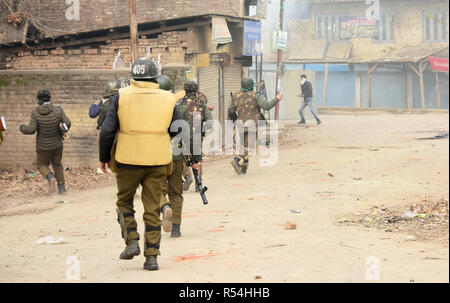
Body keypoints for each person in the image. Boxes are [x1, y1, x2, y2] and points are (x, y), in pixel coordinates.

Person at [99, 58, 182, 271]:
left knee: (124, 202)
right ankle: (152, 257)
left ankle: (132, 241)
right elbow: (178, 128)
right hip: (158, 160)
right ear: (155, 76)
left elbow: (108, 130)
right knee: (153, 208)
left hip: (127, 159)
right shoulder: (168, 98)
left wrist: (104, 157)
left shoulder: (121, 96)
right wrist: (160, 136)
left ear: (134, 76)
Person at [19, 90, 71, 194]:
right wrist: (63, 129)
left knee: (41, 165)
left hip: (43, 146)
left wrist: (22, 128)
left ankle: (50, 177)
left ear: (39, 100)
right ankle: (61, 189)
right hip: (57, 144)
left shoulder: (36, 112)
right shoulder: (58, 110)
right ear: (49, 98)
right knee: (57, 164)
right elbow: (68, 123)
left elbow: (32, 129)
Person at [228, 78, 282, 175]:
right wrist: (276, 99)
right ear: (251, 86)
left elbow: (231, 111)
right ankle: (237, 160)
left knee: (244, 147)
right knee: (249, 148)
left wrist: (235, 122)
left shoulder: (235, 96)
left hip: (240, 124)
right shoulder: (256, 95)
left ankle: (243, 168)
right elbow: (266, 106)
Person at [178, 78, 213, 194]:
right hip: (197, 134)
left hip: (183, 134)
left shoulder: (179, 103)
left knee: (183, 157)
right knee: (197, 158)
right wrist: (203, 131)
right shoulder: (201, 104)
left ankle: (187, 176)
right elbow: (209, 121)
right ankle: (199, 184)